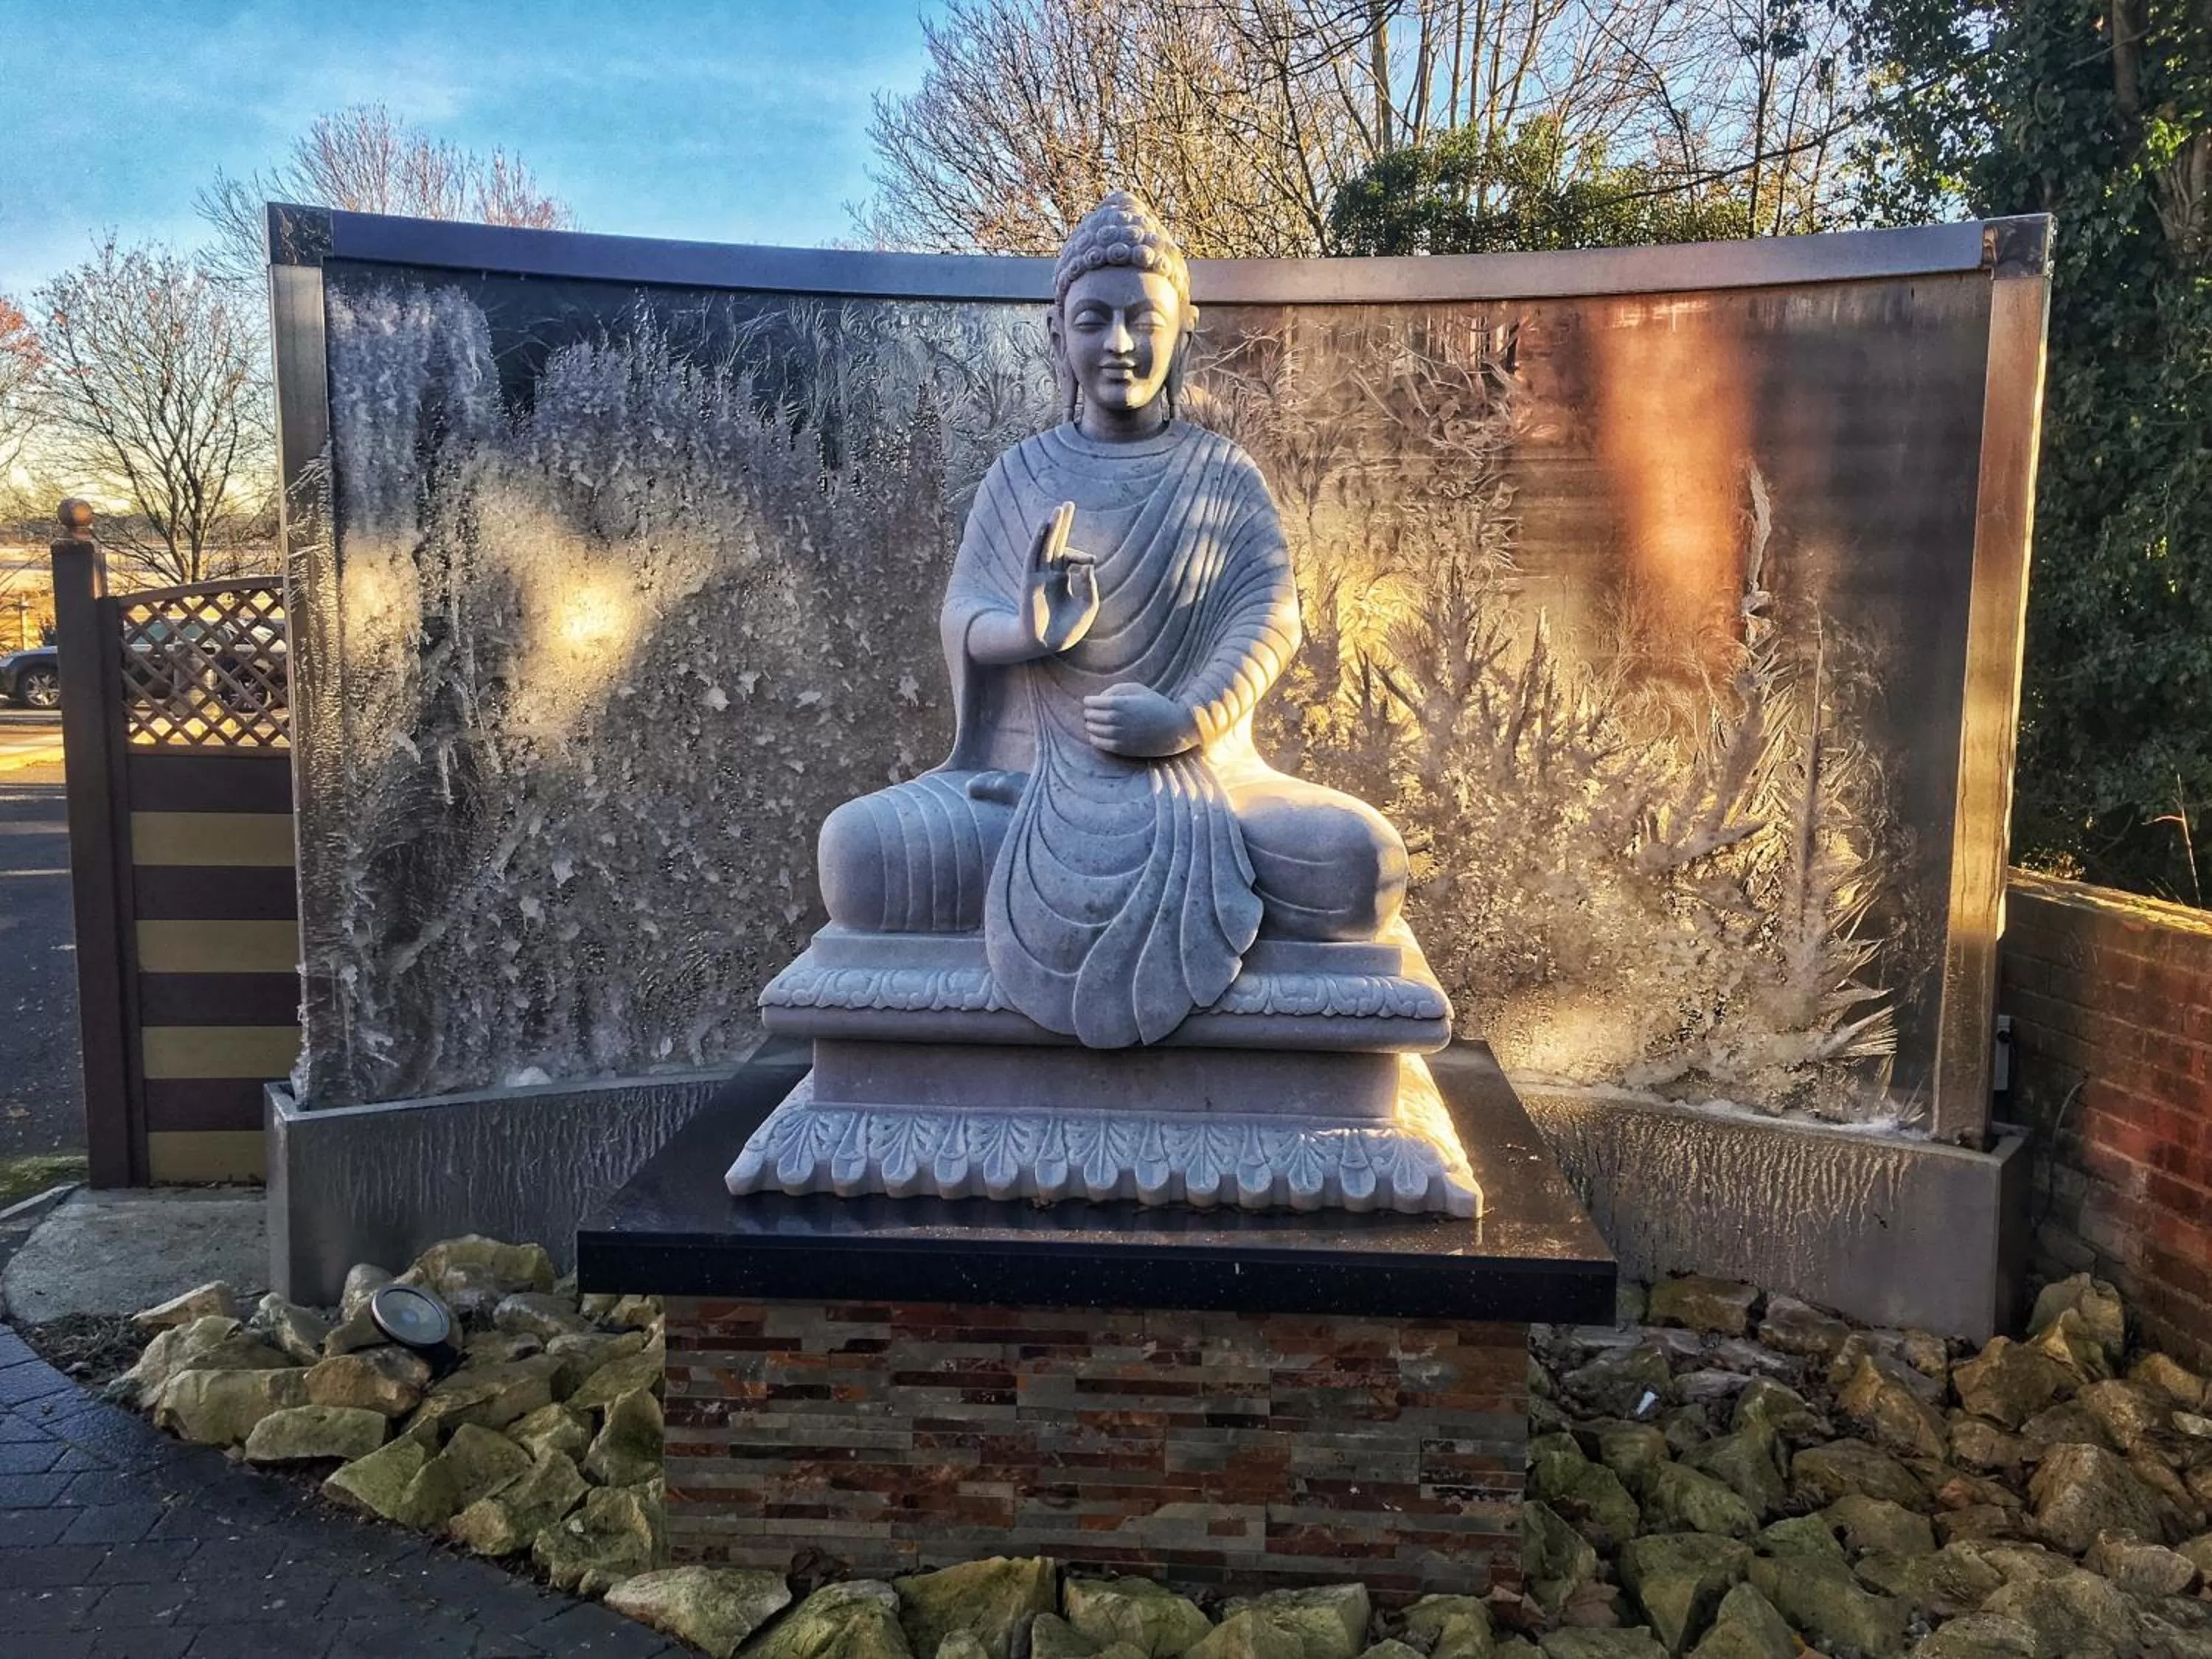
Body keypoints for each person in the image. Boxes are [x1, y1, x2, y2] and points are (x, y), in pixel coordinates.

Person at [817, 192, 1408, 1048]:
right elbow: (964, 617)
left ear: (1184, 333)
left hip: (1210, 787)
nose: (1120, 344)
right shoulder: (1019, 477)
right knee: (859, 856)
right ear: (1058, 336)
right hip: (1024, 789)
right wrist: (1027, 635)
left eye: (1143, 319)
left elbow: (1271, 616)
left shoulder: (1222, 474)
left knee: (1360, 866)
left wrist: (1188, 719)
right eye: (1093, 319)